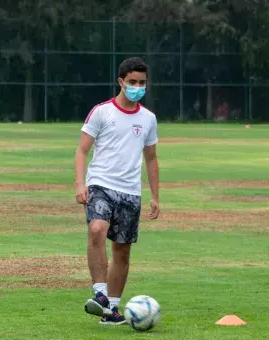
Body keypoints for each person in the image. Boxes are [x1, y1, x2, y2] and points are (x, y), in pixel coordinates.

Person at [74, 57, 160, 325]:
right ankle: (99, 293)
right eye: (132, 82)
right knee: (96, 228)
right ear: (121, 82)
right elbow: (82, 150)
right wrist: (80, 183)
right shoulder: (101, 112)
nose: (137, 87)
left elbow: (152, 159)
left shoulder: (148, 119)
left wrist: (155, 196)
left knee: (121, 251)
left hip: (130, 192)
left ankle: (111, 311)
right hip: (100, 184)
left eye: (142, 83)